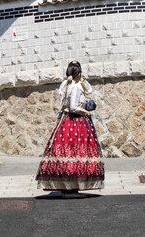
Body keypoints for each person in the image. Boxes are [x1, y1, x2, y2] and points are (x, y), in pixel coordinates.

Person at [35, 60, 105, 195]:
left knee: (63, 151)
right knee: (77, 150)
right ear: (78, 72)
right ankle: (73, 184)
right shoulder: (76, 87)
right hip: (77, 121)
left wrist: (83, 81)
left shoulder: (65, 84)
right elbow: (74, 107)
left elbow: (85, 93)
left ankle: (65, 183)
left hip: (65, 121)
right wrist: (86, 112)